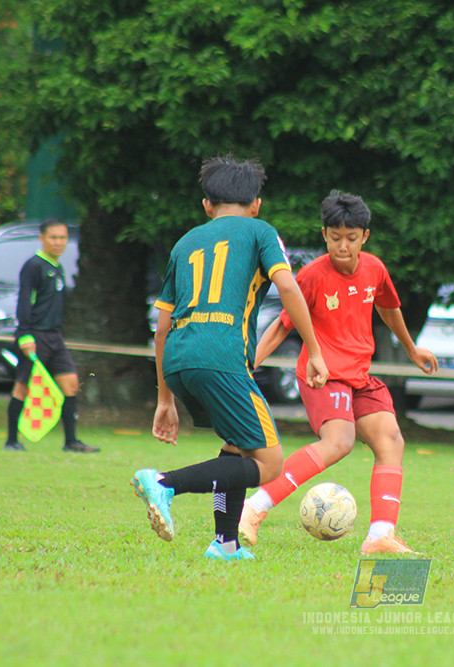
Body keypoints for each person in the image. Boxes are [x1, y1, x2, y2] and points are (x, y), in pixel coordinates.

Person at [131, 155, 329, 563]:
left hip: (180, 358)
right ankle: (165, 483)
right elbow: (288, 288)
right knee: (270, 464)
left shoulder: (185, 242)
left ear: (207, 205)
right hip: (222, 357)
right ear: (256, 204)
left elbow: (162, 326)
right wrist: (315, 349)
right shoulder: (261, 231)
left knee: (238, 446)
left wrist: (165, 399)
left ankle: (225, 543)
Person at [240, 190, 438, 554]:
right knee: (339, 442)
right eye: (335, 238)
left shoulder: (375, 269)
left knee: (391, 441)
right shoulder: (313, 275)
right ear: (324, 235)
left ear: (364, 237)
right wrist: (250, 365)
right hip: (323, 374)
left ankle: (379, 535)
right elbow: (283, 325)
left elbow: (389, 307)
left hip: (359, 375)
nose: (342, 247)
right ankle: (252, 509)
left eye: (350, 238)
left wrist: (411, 349)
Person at [3, 219, 97, 453]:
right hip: (35, 335)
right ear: (42, 238)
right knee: (23, 387)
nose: (58, 242)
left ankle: (71, 441)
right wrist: (24, 334)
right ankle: (11, 441)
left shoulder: (57, 267)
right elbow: (24, 301)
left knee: (71, 384)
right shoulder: (33, 266)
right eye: (53, 237)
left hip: (55, 337)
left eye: (62, 238)